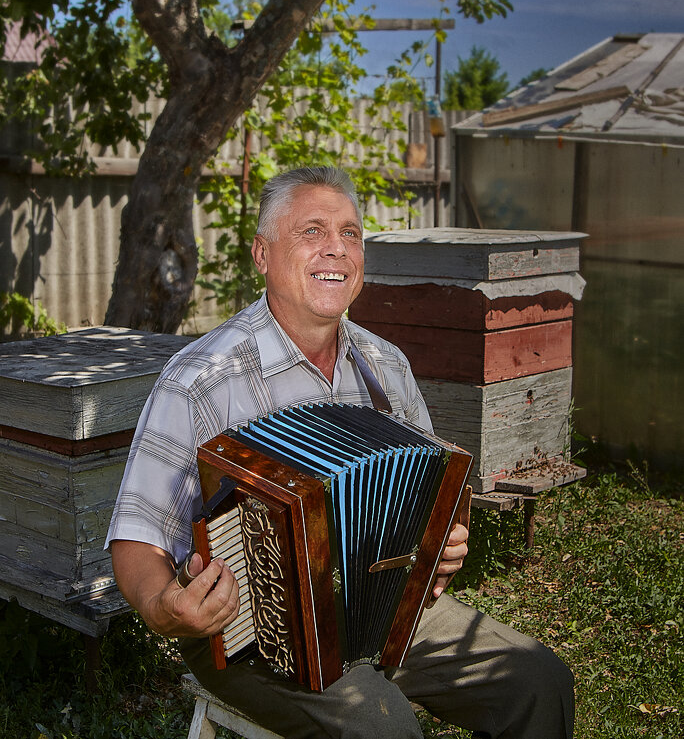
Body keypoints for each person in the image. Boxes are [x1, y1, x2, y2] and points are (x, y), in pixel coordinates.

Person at [106, 166, 574, 739]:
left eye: (350, 233)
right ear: (262, 254)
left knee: (538, 680)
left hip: (385, 611)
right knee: (382, 726)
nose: (337, 248)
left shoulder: (386, 365)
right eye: (312, 231)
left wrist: (440, 543)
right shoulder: (202, 380)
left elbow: (432, 494)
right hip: (251, 633)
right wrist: (163, 606)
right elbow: (136, 536)